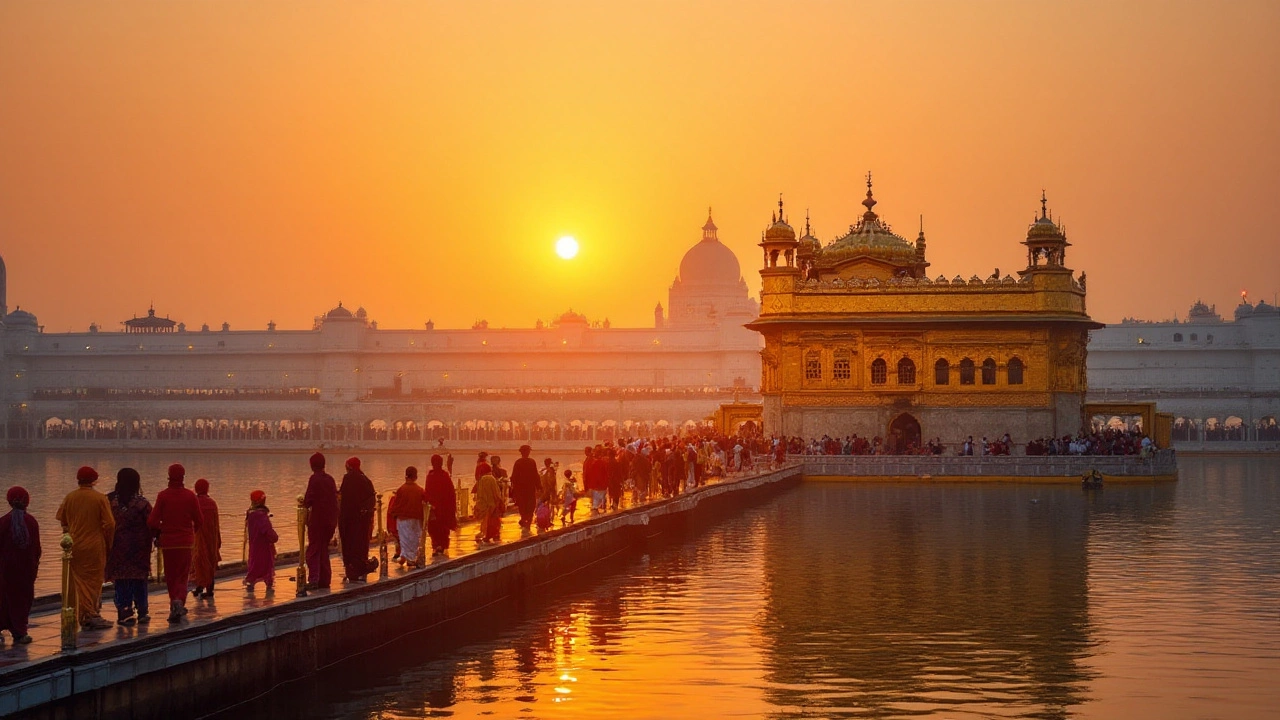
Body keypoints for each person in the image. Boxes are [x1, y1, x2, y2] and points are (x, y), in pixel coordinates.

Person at [56, 466, 115, 630]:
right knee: (93, 582)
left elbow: (62, 519)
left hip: (75, 544)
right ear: (94, 480)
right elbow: (110, 524)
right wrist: (108, 541)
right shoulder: (99, 498)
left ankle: (84, 615)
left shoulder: (70, 497)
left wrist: (70, 531)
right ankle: (90, 615)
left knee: (80, 583)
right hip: (94, 544)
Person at [148, 463, 202, 623]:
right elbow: (199, 520)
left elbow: (152, 521)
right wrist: (192, 532)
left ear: (169, 476)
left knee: (171, 576)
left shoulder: (163, 496)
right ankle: (179, 601)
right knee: (182, 575)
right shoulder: (190, 496)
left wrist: (159, 532)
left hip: (168, 542)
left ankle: (174, 602)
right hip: (185, 542)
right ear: (183, 477)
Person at [106, 469, 152, 625]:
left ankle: (124, 612)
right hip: (139, 549)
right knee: (139, 579)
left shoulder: (109, 501)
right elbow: (151, 525)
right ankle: (143, 611)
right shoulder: (142, 503)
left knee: (121, 580)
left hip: (117, 548)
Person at [0, 486, 41, 643]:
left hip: (6, 570)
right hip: (26, 570)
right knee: (22, 600)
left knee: (4, 599)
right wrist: (35, 565)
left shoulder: (3, 522)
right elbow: (37, 549)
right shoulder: (31, 522)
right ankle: (20, 632)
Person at [338, 457, 377, 583]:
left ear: (349, 466)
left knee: (349, 546)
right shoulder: (364, 479)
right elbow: (371, 498)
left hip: (348, 519)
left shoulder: (348, 478)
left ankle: (351, 570)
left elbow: (343, 499)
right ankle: (361, 569)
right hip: (362, 520)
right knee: (361, 545)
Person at [303, 452, 339, 590]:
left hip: (318, 520)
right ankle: (324, 580)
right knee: (323, 550)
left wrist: (304, 507)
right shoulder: (330, 479)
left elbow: (308, 499)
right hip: (330, 521)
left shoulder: (314, 479)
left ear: (312, 466)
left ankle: (313, 579)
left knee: (313, 550)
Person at [191, 478, 221, 599]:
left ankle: (199, 586)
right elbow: (216, 524)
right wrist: (218, 540)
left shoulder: (194, 502)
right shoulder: (212, 503)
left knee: (198, 564)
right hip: (211, 539)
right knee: (209, 564)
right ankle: (209, 589)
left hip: (197, 539)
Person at [243, 490, 279, 593]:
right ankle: (269, 586)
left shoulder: (251, 514)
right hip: (264, 546)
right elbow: (267, 530)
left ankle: (251, 584)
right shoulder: (261, 515)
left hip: (254, 545)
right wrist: (275, 537)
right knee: (266, 566)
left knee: (254, 564)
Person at [424, 454, 459, 556]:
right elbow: (451, 492)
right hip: (444, 507)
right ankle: (441, 545)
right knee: (442, 528)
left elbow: (427, 492)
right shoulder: (444, 476)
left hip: (436, 507)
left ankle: (437, 546)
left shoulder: (430, 476)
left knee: (435, 528)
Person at [391, 466, 425, 567]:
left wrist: (393, 515)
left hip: (403, 520)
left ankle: (405, 557)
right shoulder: (419, 490)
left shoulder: (401, 489)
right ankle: (410, 558)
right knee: (414, 539)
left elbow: (396, 505)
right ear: (416, 476)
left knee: (405, 539)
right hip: (415, 518)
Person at [510, 445, 540, 529]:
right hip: (530, 487)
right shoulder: (532, 462)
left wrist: (514, 488)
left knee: (522, 504)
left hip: (520, 488)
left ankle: (524, 518)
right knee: (530, 504)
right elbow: (535, 475)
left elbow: (514, 477)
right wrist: (539, 487)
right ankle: (528, 520)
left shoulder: (518, 462)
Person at [472, 472, 503, 543]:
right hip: (493, 505)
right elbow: (496, 493)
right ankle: (495, 535)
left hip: (486, 505)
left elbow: (480, 495)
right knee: (494, 522)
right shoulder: (491, 479)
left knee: (487, 522)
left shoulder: (482, 481)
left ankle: (488, 535)